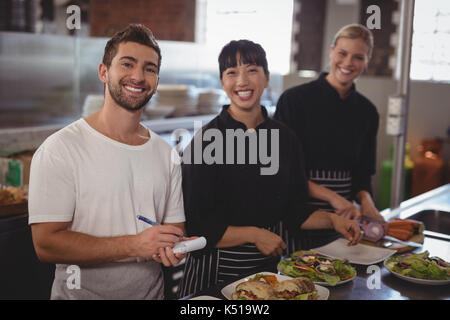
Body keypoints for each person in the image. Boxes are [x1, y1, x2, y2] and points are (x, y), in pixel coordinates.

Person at [177, 40, 361, 298]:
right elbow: (196, 226)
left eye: (252, 70)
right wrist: (254, 234)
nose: (242, 81)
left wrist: (333, 219)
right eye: (232, 73)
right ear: (222, 82)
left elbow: (295, 212)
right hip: (214, 272)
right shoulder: (206, 141)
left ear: (266, 78)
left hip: (269, 273)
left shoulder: (285, 139)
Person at [28, 24, 187, 300]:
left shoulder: (166, 154)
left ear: (157, 80)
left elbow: (175, 232)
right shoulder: (60, 149)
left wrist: (173, 246)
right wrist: (135, 245)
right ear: (104, 72)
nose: (138, 76)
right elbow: (47, 245)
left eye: (150, 68)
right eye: (127, 64)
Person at [274, 24, 383, 250]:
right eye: (342, 53)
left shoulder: (367, 112)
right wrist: (332, 197)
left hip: (344, 222)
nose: (348, 63)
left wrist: (367, 202)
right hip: (298, 215)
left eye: (358, 57)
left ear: (367, 61)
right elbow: (283, 168)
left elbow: (362, 174)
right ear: (331, 51)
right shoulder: (294, 100)